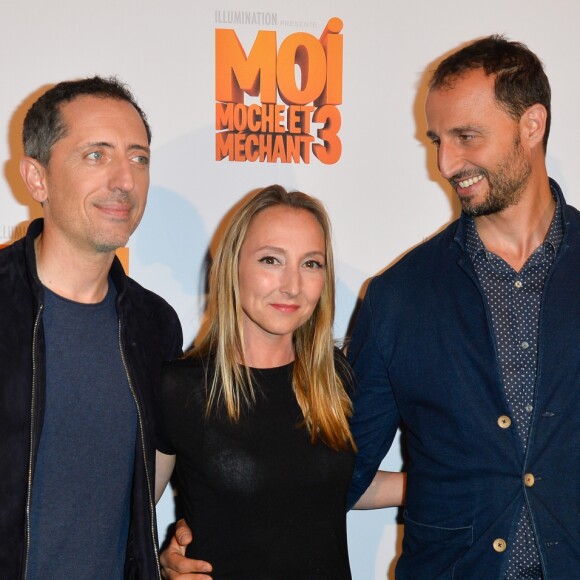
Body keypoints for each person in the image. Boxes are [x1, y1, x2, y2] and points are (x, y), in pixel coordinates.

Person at [347, 35, 580, 578]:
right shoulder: (398, 297)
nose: (447, 163)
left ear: (532, 125)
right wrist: (212, 526)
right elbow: (336, 470)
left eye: (466, 137)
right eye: (437, 141)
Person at [155, 185, 404, 579]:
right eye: (271, 260)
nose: (292, 285)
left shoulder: (336, 378)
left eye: (311, 264)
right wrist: (162, 564)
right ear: (232, 267)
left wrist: (436, 483)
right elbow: (127, 518)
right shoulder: (179, 389)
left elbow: (331, 486)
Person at [0, 77, 183, 578]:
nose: (124, 179)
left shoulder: (156, 327)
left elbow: (145, 492)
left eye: (139, 157)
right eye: (96, 156)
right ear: (37, 179)